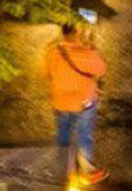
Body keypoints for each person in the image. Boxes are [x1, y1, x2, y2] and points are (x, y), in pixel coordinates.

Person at [45, 24, 109, 186]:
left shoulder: (52, 52)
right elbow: (101, 69)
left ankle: (65, 172)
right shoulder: (86, 53)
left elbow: (47, 72)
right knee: (83, 136)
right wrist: (93, 49)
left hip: (60, 102)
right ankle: (86, 172)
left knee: (63, 135)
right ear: (76, 33)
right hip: (83, 103)